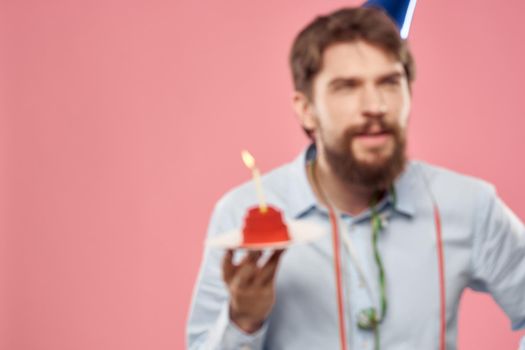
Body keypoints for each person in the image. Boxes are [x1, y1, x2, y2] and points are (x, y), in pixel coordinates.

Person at [186, 7, 525, 350]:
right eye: (347, 87)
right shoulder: (242, 215)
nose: (375, 105)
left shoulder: (468, 205)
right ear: (306, 109)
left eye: (389, 83)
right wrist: (243, 320)